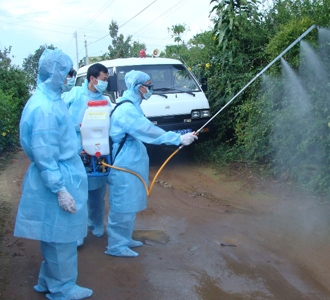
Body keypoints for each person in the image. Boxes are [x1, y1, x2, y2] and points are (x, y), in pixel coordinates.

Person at [14, 49, 93, 299]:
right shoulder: (44, 108)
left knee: (53, 235)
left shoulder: (52, 100)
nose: (71, 77)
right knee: (61, 239)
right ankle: (62, 288)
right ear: (55, 73)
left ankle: (48, 281)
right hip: (56, 177)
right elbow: (45, 155)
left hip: (60, 172)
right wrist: (60, 189)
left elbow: (56, 138)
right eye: (68, 72)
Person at [106, 70, 198, 257]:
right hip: (123, 164)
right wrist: (177, 138)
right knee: (122, 205)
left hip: (130, 162)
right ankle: (115, 245)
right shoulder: (126, 110)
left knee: (129, 203)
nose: (151, 90)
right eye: (148, 86)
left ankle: (124, 239)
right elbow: (148, 131)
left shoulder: (132, 105)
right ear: (138, 87)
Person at [63, 63, 110, 245]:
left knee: (97, 192)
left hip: (97, 152)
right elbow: (61, 118)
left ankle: (96, 224)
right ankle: (77, 232)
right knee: (77, 192)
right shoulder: (74, 95)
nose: (105, 83)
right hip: (74, 149)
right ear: (93, 78)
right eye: (103, 79)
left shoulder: (105, 101)